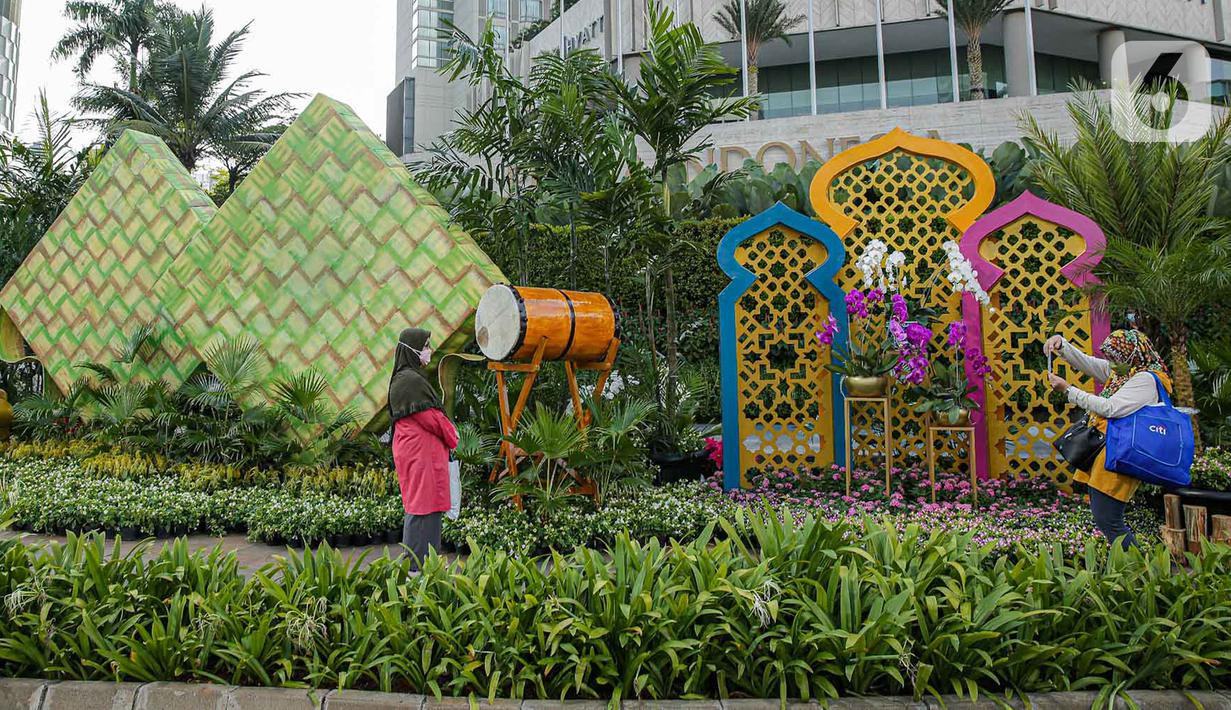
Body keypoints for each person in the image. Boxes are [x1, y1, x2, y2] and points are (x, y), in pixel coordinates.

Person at [1044, 329, 1173, 551]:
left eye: (1116, 358)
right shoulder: (1126, 372)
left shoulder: (1145, 380)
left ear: (1131, 355)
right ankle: (1129, 570)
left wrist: (1068, 391)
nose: (1111, 364)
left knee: (1109, 520)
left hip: (1122, 453)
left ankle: (1142, 572)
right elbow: (1090, 364)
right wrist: (1061, 345)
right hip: (1110, 449)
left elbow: (1110, 408)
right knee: (1105, 518)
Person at [388, 327, 458, 571]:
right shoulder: (410, 381)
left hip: (418, 456)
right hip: (420, 458)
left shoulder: (405, 378)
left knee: (424, 509)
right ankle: (417, 569)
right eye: (426, 345)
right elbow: (432, 419)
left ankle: (422, 566)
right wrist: (453, 435)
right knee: (422, 510)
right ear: (412, 349)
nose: (429, 350)